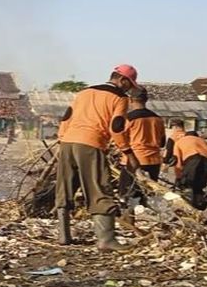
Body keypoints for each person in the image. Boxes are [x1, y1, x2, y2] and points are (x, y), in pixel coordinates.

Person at [55, 64, 140, 251]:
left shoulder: (84, 92)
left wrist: (63, 139)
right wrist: (126, 151)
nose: (129, 88)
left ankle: (64, 236)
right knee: (99, 188)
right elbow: (116, 127)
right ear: (122, 80)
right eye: (129, 84)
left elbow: (66, 118)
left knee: (65, 187)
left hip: (67, 143)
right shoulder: (119, 97)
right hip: (91, 144)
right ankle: (106, 240)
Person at [118, 87, 166, 222]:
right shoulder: (158, 119)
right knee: (150, 193)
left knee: (128, 193)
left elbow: (121, 140)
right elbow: (162, 142)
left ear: (131, 100)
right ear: (146, 100)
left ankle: (129, 220)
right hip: (154, 161)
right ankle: (158, 220)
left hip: (133, 161)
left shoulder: (128, 119)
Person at [173, 131, 207, 209]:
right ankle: (200, 205)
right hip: (205, 162)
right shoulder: (202, 141)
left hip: (192, 161)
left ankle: (191, 207)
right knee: (199, 186)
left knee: (187, 185)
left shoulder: (180, 141)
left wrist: (178, 177)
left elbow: (177, 162)